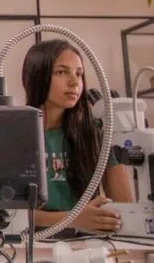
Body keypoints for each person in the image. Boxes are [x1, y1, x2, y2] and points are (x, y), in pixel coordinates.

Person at [22, 40, 134, 233]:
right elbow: (3, 214)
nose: (74, 82)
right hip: (31, 245)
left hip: (88, 244)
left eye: (79, 74)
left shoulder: (98, 135)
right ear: (37, 76)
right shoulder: (15, 134)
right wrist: (73, 218)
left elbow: (126, 208)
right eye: (61, 72)